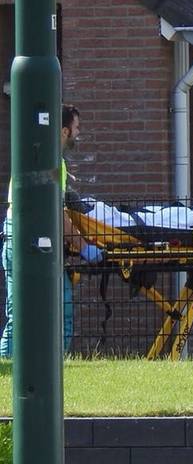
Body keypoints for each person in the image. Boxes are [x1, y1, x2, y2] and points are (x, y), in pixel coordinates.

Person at [2, 104, 103, 357]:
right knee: (60, 312)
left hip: (15, 235)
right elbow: (55, 212)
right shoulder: (54, 162)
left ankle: (7, 365)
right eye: (76, 127)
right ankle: (58, 365)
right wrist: (84, 247)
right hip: (34, 240)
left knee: (19, 315)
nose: (78, 133)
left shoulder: (31, 155)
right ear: (64, 131)